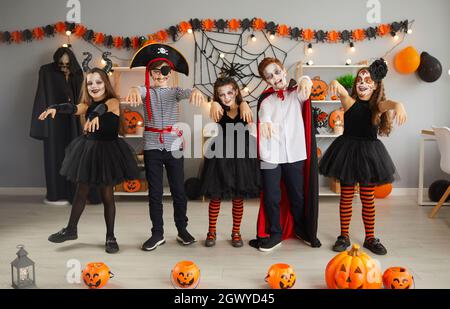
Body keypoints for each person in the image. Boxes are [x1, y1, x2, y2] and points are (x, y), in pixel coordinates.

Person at [40, 57, 139, 254]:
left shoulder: (112, 101)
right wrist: (56, 108)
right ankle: (71, 229)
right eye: (90, 82)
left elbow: (103, 108)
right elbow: (75, 108)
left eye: (99, 82)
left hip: (108, 152)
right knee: (81, 192)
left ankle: (110, 236)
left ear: (106, 83)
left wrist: (94, 116)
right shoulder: (87, 104)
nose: (94, 86)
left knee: (107, 196)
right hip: (89, 151)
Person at [319, 59, 407, 255]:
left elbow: (388, 103)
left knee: (368, 199)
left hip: (369, 156)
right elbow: (341, 92)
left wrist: (398, 104)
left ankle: (370, 237)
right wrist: (335, 84)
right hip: (347, 153)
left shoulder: (377, 107)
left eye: (367, 80)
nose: (362, 83)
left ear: (375, 85)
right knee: (346, 197)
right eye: (359, 79)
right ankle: (344, 236)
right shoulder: (350, 103)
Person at [250, 57, 321, 252]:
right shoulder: (265, 100)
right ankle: (275, 233)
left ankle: (300, 228)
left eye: (277, 72)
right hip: (269, 155)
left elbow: (306, 85)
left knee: (297, 195)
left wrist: (306, 78)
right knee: (271, 196)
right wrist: (260, 125)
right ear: (267, 81)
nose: (275, 77)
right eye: (270, 76)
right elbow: (262, 118)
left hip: (295, 154)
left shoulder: (296, 93)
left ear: (284, 72)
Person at [200, 77, 260, 248]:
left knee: (238, 196)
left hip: (242, 154)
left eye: (229, 93)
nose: (226, 97)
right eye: (221, 95)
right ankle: (211, 231)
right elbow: (215, 111)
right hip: (221, 154)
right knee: (216, 195)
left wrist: (244, 103)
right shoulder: (217, 109)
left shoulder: (244, 107)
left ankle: (236, 231)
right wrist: (213, 102)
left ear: (236, 91)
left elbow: (250, 122)